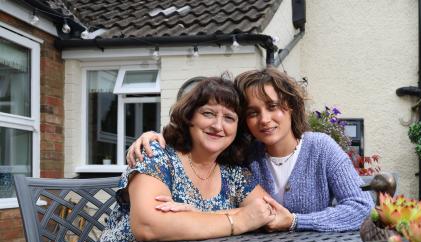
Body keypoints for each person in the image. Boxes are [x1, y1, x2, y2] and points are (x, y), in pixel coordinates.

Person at [65, 76, 275, 242]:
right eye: (208, 113)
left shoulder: (233, 174)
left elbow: (271, 213)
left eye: (229, 118)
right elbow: (150, 225)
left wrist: (202, 213)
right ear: (189, 117)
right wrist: (239, 219)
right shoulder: (157, 155)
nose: (218, 125)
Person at [128, 69, 374, 232]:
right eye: (253, 113)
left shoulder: (321, 147)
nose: (264, 119)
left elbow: (362, 208)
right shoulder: (244, 155)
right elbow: (254, 214)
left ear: (290, 107)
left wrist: (297, 221)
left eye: (273, 107)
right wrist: (157, 136)